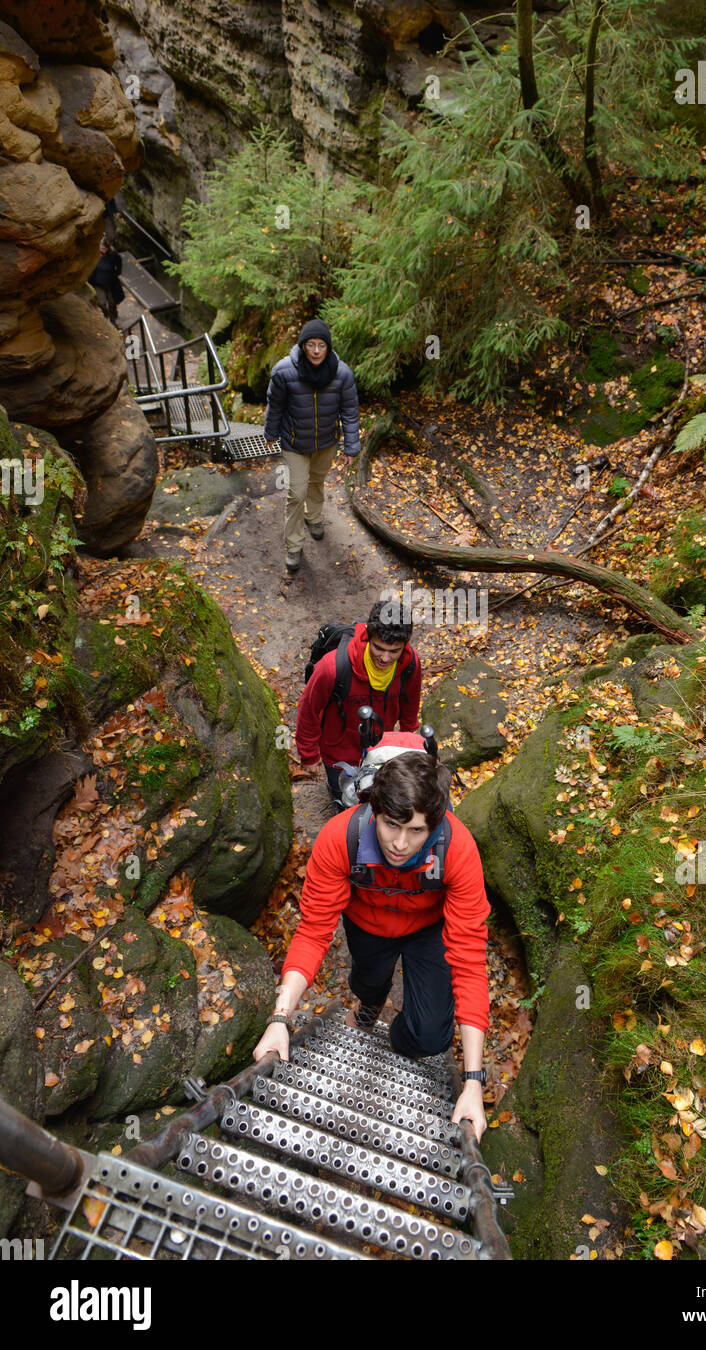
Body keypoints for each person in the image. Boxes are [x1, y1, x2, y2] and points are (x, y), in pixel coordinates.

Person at [253, 752, 489, 1141]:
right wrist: (280, 1020)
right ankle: (368, 1006)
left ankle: (398, 1034)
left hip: (428, 930)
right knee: (369, 979)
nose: (400, 844)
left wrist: (473, 1082)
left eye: (416, 831)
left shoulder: (458, 850)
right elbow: (313, 931)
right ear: (374, 810)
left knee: (431, 1036)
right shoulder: (339, 837)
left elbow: (468, 960)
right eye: (391, 825)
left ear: (436, 822)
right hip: (367, 924)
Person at [296, 600, 422, 813]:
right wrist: (308, 755)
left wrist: (407, 741)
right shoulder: (333, 666)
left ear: (405, 645)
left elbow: (410, 703)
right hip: (338, 751)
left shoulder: (410, 664)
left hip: (380, 748)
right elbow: (308, 709)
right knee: (344, 800)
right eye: (378, 648)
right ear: (367, 637)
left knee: (376, 798)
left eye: (394, 651)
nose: (384, 657)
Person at [263, 319, 361, 574]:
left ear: (327, 347)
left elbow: (349, 411)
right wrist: (270, 432)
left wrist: (351, 446)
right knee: (296, 492)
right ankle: (293, 545)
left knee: (317, 482)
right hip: (295, 443)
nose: (316, 351)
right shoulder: (284, 371)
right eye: (311, 345)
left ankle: (314, 517)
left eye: (321, 345)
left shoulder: (342, 373)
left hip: (326, 443)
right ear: (303, 346)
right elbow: (276, 405)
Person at [88, 237, 124, 324]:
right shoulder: (94, 255)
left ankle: (113, 319)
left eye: (104, 249)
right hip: (98, 284)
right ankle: (105, 316)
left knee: (112, 303)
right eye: (100, 249)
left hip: (110, 284)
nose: (102, 251)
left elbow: (119, 264)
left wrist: (116, 274)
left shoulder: (113, 255)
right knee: (102, 303)